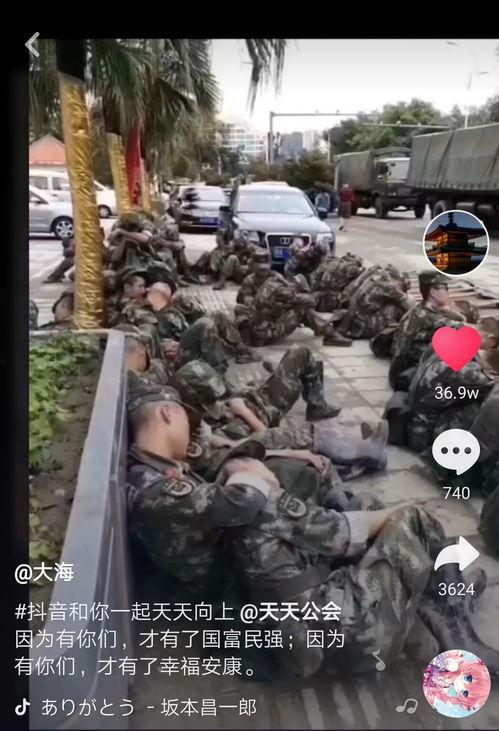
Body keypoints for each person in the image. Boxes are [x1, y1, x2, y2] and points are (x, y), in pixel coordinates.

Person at [229, 493, 498, 677]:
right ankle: (459, 638)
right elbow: (344, 530)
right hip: (361, 632)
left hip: (334, 625)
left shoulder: (237, 519)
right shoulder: (266, 509)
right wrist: (404, 507)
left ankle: (447, 595)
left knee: (366, 503)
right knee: (414, 518)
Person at [126, 381, 277, 594]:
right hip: (222, 588)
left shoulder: (147, 468)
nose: (189, 431)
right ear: (167, 413)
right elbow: (247, 500)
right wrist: (247, 470)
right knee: (275, 507)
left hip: (214, 565)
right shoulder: (155, 491)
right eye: (186, 421)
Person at [170, 356, 390, 481]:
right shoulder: (201, 434)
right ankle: (365, 452)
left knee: (300, 354)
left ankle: (357, 451)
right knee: (291, 436)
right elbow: (246, 443)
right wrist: (244, 412)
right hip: (258, 422)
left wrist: (247, 395)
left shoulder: (196, 422)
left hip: (255, 405)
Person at [404, 318, 499, 455]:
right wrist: (487, 363)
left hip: (416, 415)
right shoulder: (466, 366)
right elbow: (492, 388)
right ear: (491, 341)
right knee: (481, 405)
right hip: (425, 431)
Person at [236, 254, 352, 348]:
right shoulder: (281, 289)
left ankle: (323, 329)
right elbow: (310, 301)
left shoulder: (273, 281)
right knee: (301, 309)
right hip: (263, 335)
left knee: (295, 305)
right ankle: (330, 333)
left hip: (258, 328)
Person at [389, 271, 467, 390]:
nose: (448, 292)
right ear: (433, 292)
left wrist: (446, 310)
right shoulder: (431, 318)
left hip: (399, 372)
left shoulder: (419, 309)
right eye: (445, 288)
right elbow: (464, 327)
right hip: (409, 378)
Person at [337, 267, 411, 340]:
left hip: (353, 320)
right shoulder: (390, 287)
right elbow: (410, 306)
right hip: (363, 325)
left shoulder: (373, 278)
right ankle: (391, 331)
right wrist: (405, 294)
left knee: (390, 302)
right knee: (393, 307)